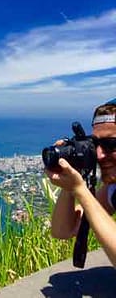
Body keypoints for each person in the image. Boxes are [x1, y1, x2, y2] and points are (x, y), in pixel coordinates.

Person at [48, 98, 116, 266]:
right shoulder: (113, 190)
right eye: (96, 144)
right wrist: (70, 179)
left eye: (111, 144)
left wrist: (80, 190)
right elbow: (63, 230)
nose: (99, 154)